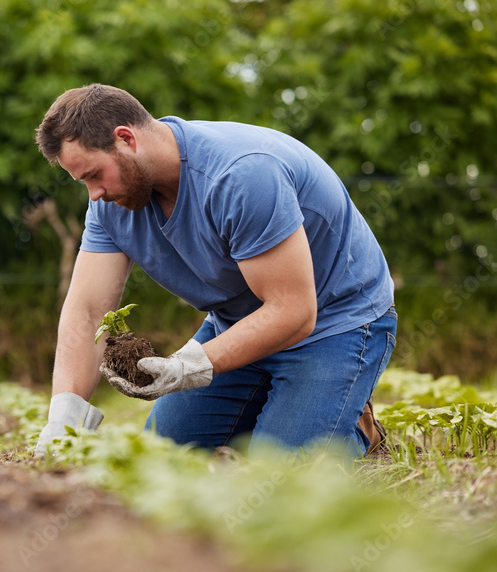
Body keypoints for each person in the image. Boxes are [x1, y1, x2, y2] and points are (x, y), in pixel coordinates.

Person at [33, 84, 395, 461]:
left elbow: (294, 312)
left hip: (334, 322)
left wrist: (186, 367)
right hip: (238, 322)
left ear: (126, 139)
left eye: (94, 175)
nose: (93, 194)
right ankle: (283, 414)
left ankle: (354, 428)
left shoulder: (241, 175)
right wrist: (65, 420)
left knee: (283, 476)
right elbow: (88, 312)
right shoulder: (112, 204)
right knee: (165, 458)